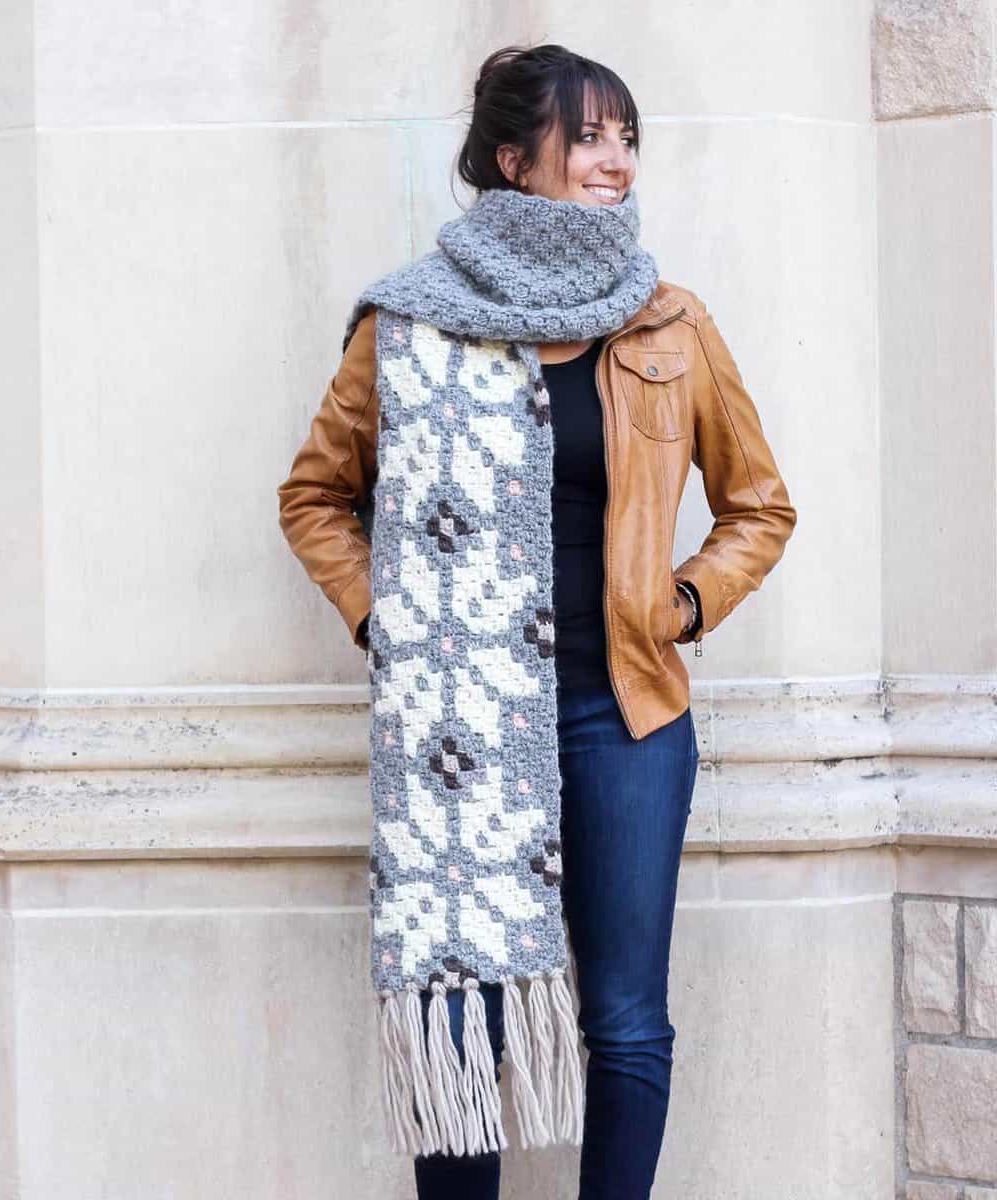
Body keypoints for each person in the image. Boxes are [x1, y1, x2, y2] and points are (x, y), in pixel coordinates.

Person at [277, 43, 796, 1200]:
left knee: (625, 1020)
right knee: (463, 1015)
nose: (616, 160)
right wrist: (390, 623)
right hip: (459, 720)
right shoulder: (409, 324)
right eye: (590, 135)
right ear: (516, 158)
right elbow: (315, 497)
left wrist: (685, 600)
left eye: (628, 138)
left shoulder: (669, 325)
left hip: (625, 711)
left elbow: (760, 505)